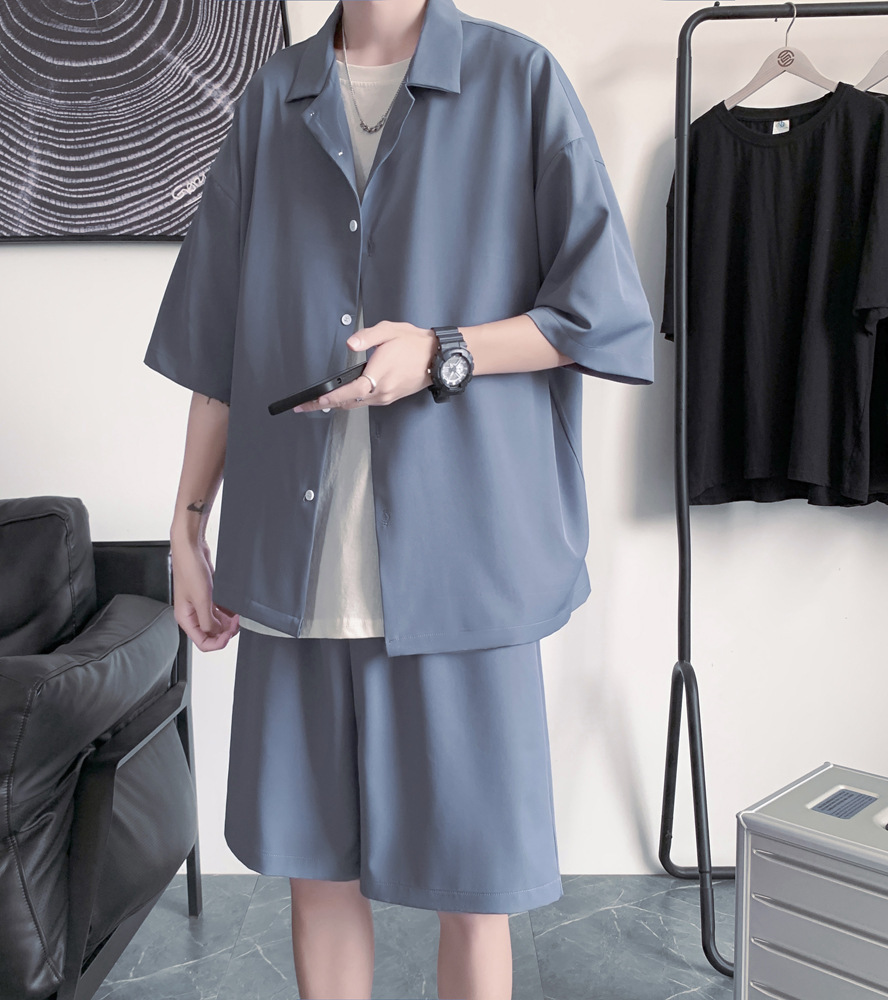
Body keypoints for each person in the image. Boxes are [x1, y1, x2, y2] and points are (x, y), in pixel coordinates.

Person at [144, 0, 654, 997]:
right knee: (317, 874)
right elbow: (217, 344)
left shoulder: (518, 82)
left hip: (465, 572)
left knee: (476, 891)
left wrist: (442, 352)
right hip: (295, 572)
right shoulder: (270, 100)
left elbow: (597, 312)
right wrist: (188, 524)